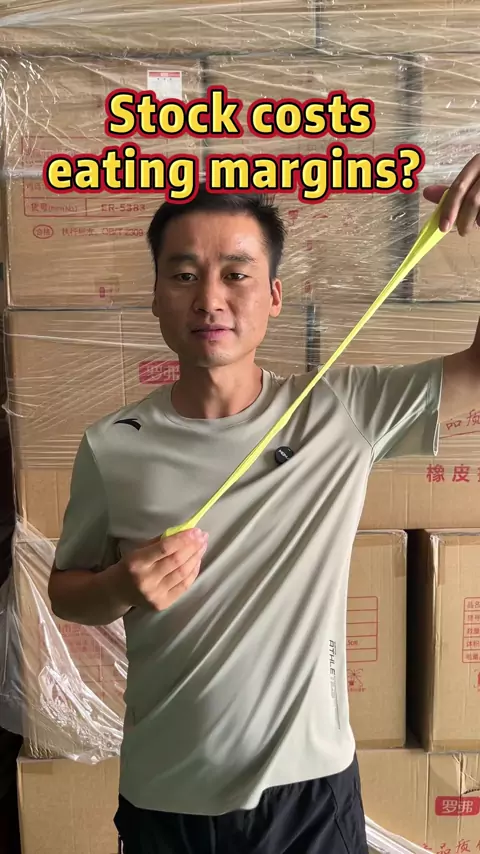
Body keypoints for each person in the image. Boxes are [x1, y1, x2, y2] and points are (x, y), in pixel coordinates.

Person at [48, 154, 480, 854]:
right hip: (165, 795)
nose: (209, 299)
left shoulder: (339, 414)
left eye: (236, 274)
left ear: (275, 295)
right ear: (155, 296)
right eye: (183, 275)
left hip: (308, 794)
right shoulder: (112, 445)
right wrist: (119, 586)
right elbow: (67, 592)